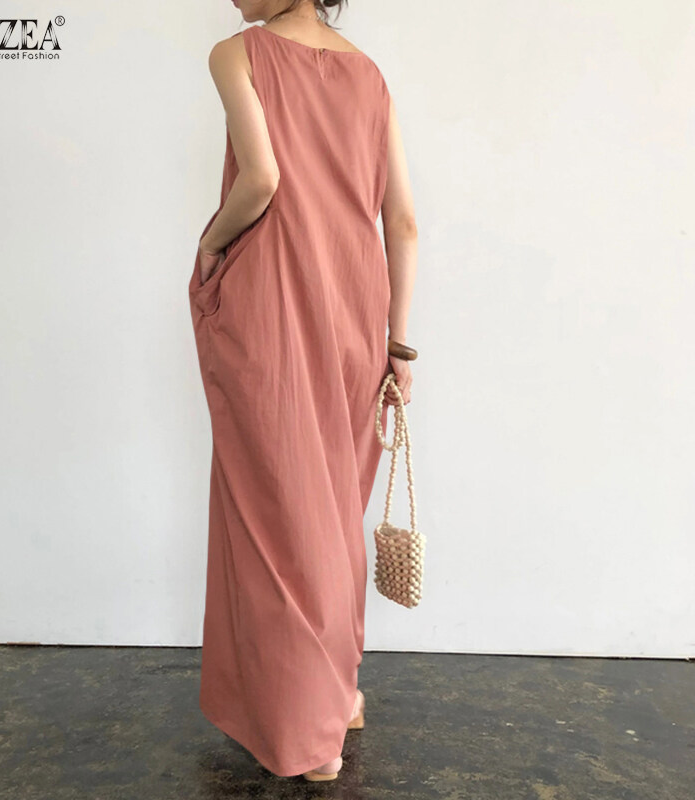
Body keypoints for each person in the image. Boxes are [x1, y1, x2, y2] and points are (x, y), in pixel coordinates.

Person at [187, 0, 418, 782]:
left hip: (275, 302)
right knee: (331, 509)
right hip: (357, 310)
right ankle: (340, 692)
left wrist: (210, 243)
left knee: (277, 516)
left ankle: (312, 736)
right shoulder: (369, 76)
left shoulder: (239, 54)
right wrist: (398, 343)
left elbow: (261, 179)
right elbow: (403, 222)